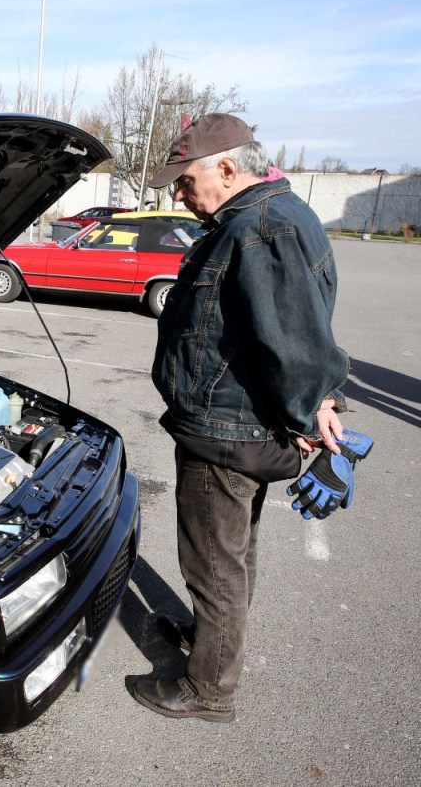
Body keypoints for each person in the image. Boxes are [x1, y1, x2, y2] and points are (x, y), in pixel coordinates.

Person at [128, 114, 349, 722]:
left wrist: (312, 413)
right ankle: (210, 643)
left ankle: (208, 689)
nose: (177, 193)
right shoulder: (270, 216)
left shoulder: (261, 228)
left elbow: (297, 342)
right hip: (238, 425)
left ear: (227, 169)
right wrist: (318, 405)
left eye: (184, 180)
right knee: (232, 553)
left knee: (215, 564)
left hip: (226, 432)